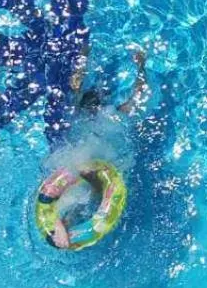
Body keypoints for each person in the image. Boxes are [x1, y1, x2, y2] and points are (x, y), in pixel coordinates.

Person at [47, 46, 149, 248]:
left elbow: (76, 85)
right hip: (98, 163)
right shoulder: (110, 116)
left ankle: (62, 221)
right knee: (82, 182)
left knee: (81, 182)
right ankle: (62, 221)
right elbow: (139, 95)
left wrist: (83, 54)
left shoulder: (80, 117)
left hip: (96, 165)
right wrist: (141, 67)